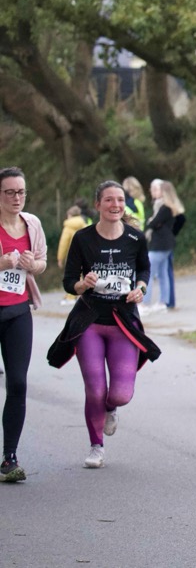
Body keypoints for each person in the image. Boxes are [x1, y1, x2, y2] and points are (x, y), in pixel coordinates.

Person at [51, 180, 159, 470]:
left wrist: (141, 288)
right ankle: (96, 446)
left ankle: (111, 408)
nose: (115, 205)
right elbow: (69, 282)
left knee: (120, 394)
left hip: (123, 321)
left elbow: (144, 268)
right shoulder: (83, 238)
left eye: (120, 200)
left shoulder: (135, 238)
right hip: (90, 321)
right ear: (98, 204)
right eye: (109, 200)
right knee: (95, 390)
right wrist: (82, 284)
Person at [0, 167, 46, 482]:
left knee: (17, 383)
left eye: (21, 192)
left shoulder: (32, 224)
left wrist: (33, 264)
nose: (17, 198)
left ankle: (9, 458)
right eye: (10, 192)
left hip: (17, 311)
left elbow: (42, 262)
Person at [142, 179, 183, 314]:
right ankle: (163, 301)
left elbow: (153, 223)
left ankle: (145, 303)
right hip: (164, 244)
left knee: (148, 272)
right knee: (162, 273)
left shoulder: (165, 207)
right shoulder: (164, 207)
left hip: (160, 244)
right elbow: (155, 223)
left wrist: (152, 222)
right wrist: (154, 223)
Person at [56, 200, 92, 307]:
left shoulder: (68, 226)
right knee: (85, 276)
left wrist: (60, 258)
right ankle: (83, 296)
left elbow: (63, 243)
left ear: (70, 215)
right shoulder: (85, 224)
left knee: (72, 276)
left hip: (72, 255)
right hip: (86, 254)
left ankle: (71, 297)